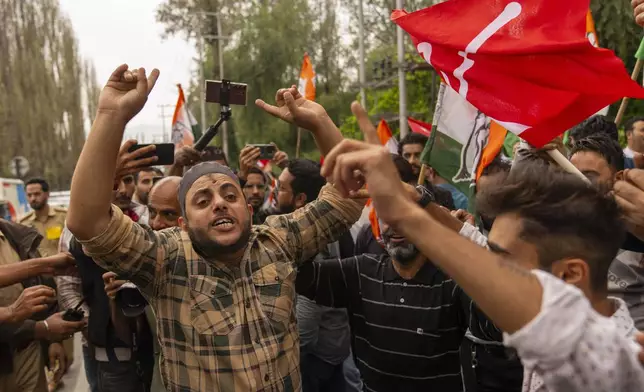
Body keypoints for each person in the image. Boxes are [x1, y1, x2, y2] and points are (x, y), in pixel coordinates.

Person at [66, 65, 365, 391]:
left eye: (229, 195)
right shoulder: (165, 260)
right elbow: (88, 222)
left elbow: (347, 197)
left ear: (249, 210)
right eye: (202, 200)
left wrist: (319, 123)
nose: (219, 204)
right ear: (182, 223)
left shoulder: (277, 241)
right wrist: (110, 115)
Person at [322, 139, 644, 392]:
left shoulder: (616, 364)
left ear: (570, 274)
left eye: (501, 262)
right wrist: (415, 201)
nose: (484, 268)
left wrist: (405, 216)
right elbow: (469, 240)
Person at [275, 158, 360, 392]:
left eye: (282, 188)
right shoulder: (323, 227)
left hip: (313, 358)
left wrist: (281, 359)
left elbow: (307, 320)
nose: (275, 193)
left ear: (300, 199)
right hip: (333, 349)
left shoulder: (310, 242)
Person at [0, 218, 86, 392]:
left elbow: (41, 287)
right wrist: (12, 313)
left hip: (27, 350)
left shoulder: (13, 233)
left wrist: (53, 340)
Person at [398, 133, 468, 210]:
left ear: (428, 156)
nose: (411, 161)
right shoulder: (392, 191)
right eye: (407, 156)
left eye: (418, 155)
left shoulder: (442, 194)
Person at [20, 178, 68, 258]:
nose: (33, 199)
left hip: (65, 267)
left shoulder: (64, 217)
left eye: (37, 194)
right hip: (39, 269)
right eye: (29, 195)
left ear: (47, 194)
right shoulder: (23, 224)